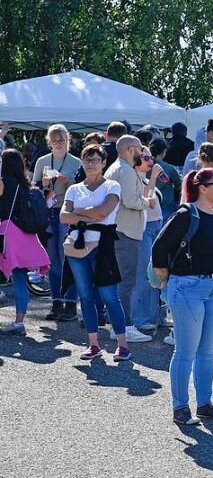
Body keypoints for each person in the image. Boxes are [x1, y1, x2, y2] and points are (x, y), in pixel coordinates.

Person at [151, 168, 213, 426]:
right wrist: (168, 280)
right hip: (187, 287)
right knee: (185, 351)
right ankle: (180, 408)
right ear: (202, 188)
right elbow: (159, 248)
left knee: (207, 351)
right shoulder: (186, 214)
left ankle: (205, 405)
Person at [60, 143, 130, 361]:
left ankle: (122, 345)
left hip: (103, 247)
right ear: (82, 162)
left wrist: (77, 213)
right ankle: (93, 344)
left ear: (103, 163)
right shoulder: (73, 188)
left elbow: (104, 212)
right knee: (85, 296)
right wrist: (86, 215)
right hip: (77, 247)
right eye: (87, 159)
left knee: (110, 296)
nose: (90, 163)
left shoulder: (112, 186)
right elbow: (64, 217)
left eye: (95, 160)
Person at [104, 135, 159, 343]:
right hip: (126, 232)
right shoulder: (126, 171)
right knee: (127, 281)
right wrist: (148, 202)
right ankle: (123, 326)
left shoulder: (116, 168)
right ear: (130, 150)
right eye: (139, 150)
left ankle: (118, 324)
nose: (142, 154)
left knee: (119, 281)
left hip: (118, 230)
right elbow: (131, 201)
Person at [31, 123, 83, 322]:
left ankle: (70, 303)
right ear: (49, 143)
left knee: (68, 259)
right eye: (54, 141)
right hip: (48, 212)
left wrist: (66, 181)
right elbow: (34, 187)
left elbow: (82, 188)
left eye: (61, 140)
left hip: (67, 212)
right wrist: (42, 185)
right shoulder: (43, 161)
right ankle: (56, 302)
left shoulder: (76, 162)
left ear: (68, 140)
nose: (58, 144)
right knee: (53, 260)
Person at [0, 149, 51, 335]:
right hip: (24, 234)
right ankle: (19, 321)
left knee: (11, 276)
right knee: (20, 278)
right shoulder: (26, 185)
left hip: (6, 232)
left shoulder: (3, 183)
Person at [130, 146, 165, 333]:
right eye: (145, 157)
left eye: (150, 157)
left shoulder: (143, 178)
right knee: (143, 275)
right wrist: (153, 178)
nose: (149, 161)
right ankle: (138, 319)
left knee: (155, 274)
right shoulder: (134, 179)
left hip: (155, 228)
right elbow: (144, 201)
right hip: (144, 229)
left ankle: (154, 316)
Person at [150, 139, 182, 221]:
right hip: (165, 205)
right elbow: (179, 184)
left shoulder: (144, 165)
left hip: (147, 205)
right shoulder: (169, 168)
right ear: (164, 151)